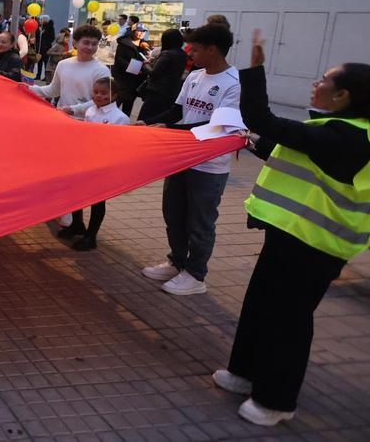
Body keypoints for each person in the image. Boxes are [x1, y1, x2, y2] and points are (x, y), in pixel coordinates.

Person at [210, 35, 369, 426]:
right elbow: (293, 150)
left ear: (344, 94)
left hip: (315, 246)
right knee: (261, 303)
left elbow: (266, 120)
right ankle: (245, 373)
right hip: (289, 236)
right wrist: (251, 143)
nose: (317, 83)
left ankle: (277, 400)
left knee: (289, 319)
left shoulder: (351, 137)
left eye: (326, 79)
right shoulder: (337, 129)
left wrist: (254, 69)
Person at [139, 23, 241, 296]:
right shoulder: (195, 76)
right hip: (182, 158)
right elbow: (176, 111)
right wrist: (147, 122)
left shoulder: (233, 84)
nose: (189, 53)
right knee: (173, 214)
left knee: (200, 221)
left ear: (212, 50)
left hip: (209, 166)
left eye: (194, 49)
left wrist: (168, 130)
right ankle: (177, 261)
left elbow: (216, 125)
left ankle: (196, 275)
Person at [61, 77, 131, 250]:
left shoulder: (120, 118)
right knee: (76, 193)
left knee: (97, 201)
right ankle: (77, 224)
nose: (99, 96)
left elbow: (118, 144)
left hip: (103, 164)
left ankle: (91, 236)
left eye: (104, 93)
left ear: (114, 95)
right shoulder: (91, 111)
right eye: (96, 92)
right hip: (85, 159)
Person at [29, 25, 110, 116]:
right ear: (75, 43)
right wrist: (29, 89)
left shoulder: (102, 70)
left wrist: (73, 110)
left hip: (87, 120)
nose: (90, 47)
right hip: (62, 117)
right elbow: (54, 90)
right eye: (86, 43)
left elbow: (101, 100)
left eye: (94, 44)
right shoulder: (63, 64)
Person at [138, 29, 188, 123]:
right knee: (161, 120)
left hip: (157, 92)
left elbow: (154, 73)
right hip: (172, 92)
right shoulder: (183, 54)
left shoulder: (167, 54)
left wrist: (146, 64)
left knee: (145, 120)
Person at [111, 23, 151, 116]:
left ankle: (125, 124)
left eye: (143, 31)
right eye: (139, 31)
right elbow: (119, 60)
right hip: (123, 79)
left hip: (136, 81)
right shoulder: (124, 43)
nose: (141, 33)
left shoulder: (144, 45)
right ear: (132, 32)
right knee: (116, 103)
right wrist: (136, 68)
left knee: (128, 106)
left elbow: (146, 59)